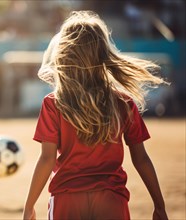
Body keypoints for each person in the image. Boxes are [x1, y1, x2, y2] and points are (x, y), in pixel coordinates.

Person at [23, 11, 168, 220]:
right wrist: (159, 206)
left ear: (63, 53)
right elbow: (141, 158)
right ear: (103, 54)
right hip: (112, 200)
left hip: (67, 199)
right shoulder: (123, 102)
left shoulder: (54, 103)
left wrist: (29, 207)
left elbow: (47, 159)